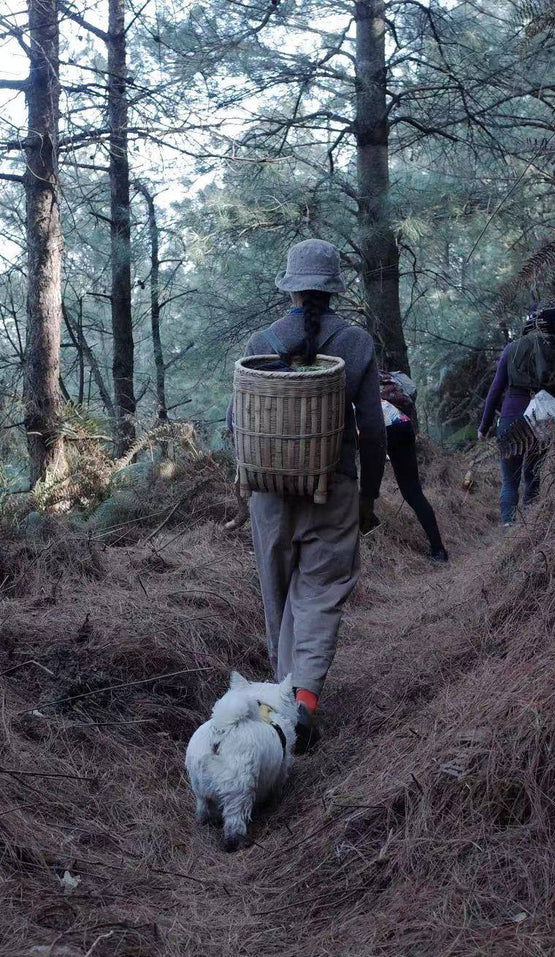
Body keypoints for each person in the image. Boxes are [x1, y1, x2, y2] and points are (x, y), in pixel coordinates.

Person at [232, 239, 385, 754]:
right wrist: (369, 499)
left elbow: (236, 423)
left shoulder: (262, 340)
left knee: (279, 598)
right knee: (320, 594)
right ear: (333, 288)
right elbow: (372, 427)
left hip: (270, 494)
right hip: (334, 486)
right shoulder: (358, 344)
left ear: (292, 289)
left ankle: (281, 706)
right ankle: (305, 701)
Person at [476, 305, 555, 523]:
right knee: (533, 478)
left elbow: (495, 390)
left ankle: (509, 529)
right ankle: (530, 530)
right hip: (543, 420)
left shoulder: (512, 348)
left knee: (510, 481)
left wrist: (484, 426)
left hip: (512, 419)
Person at [380, 369, 448, 562]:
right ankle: (438, 549)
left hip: (381, 427)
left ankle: (370, 531)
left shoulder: (349, 375)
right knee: (413, 492)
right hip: (403, 424)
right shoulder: (383, 375)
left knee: (367, 485)